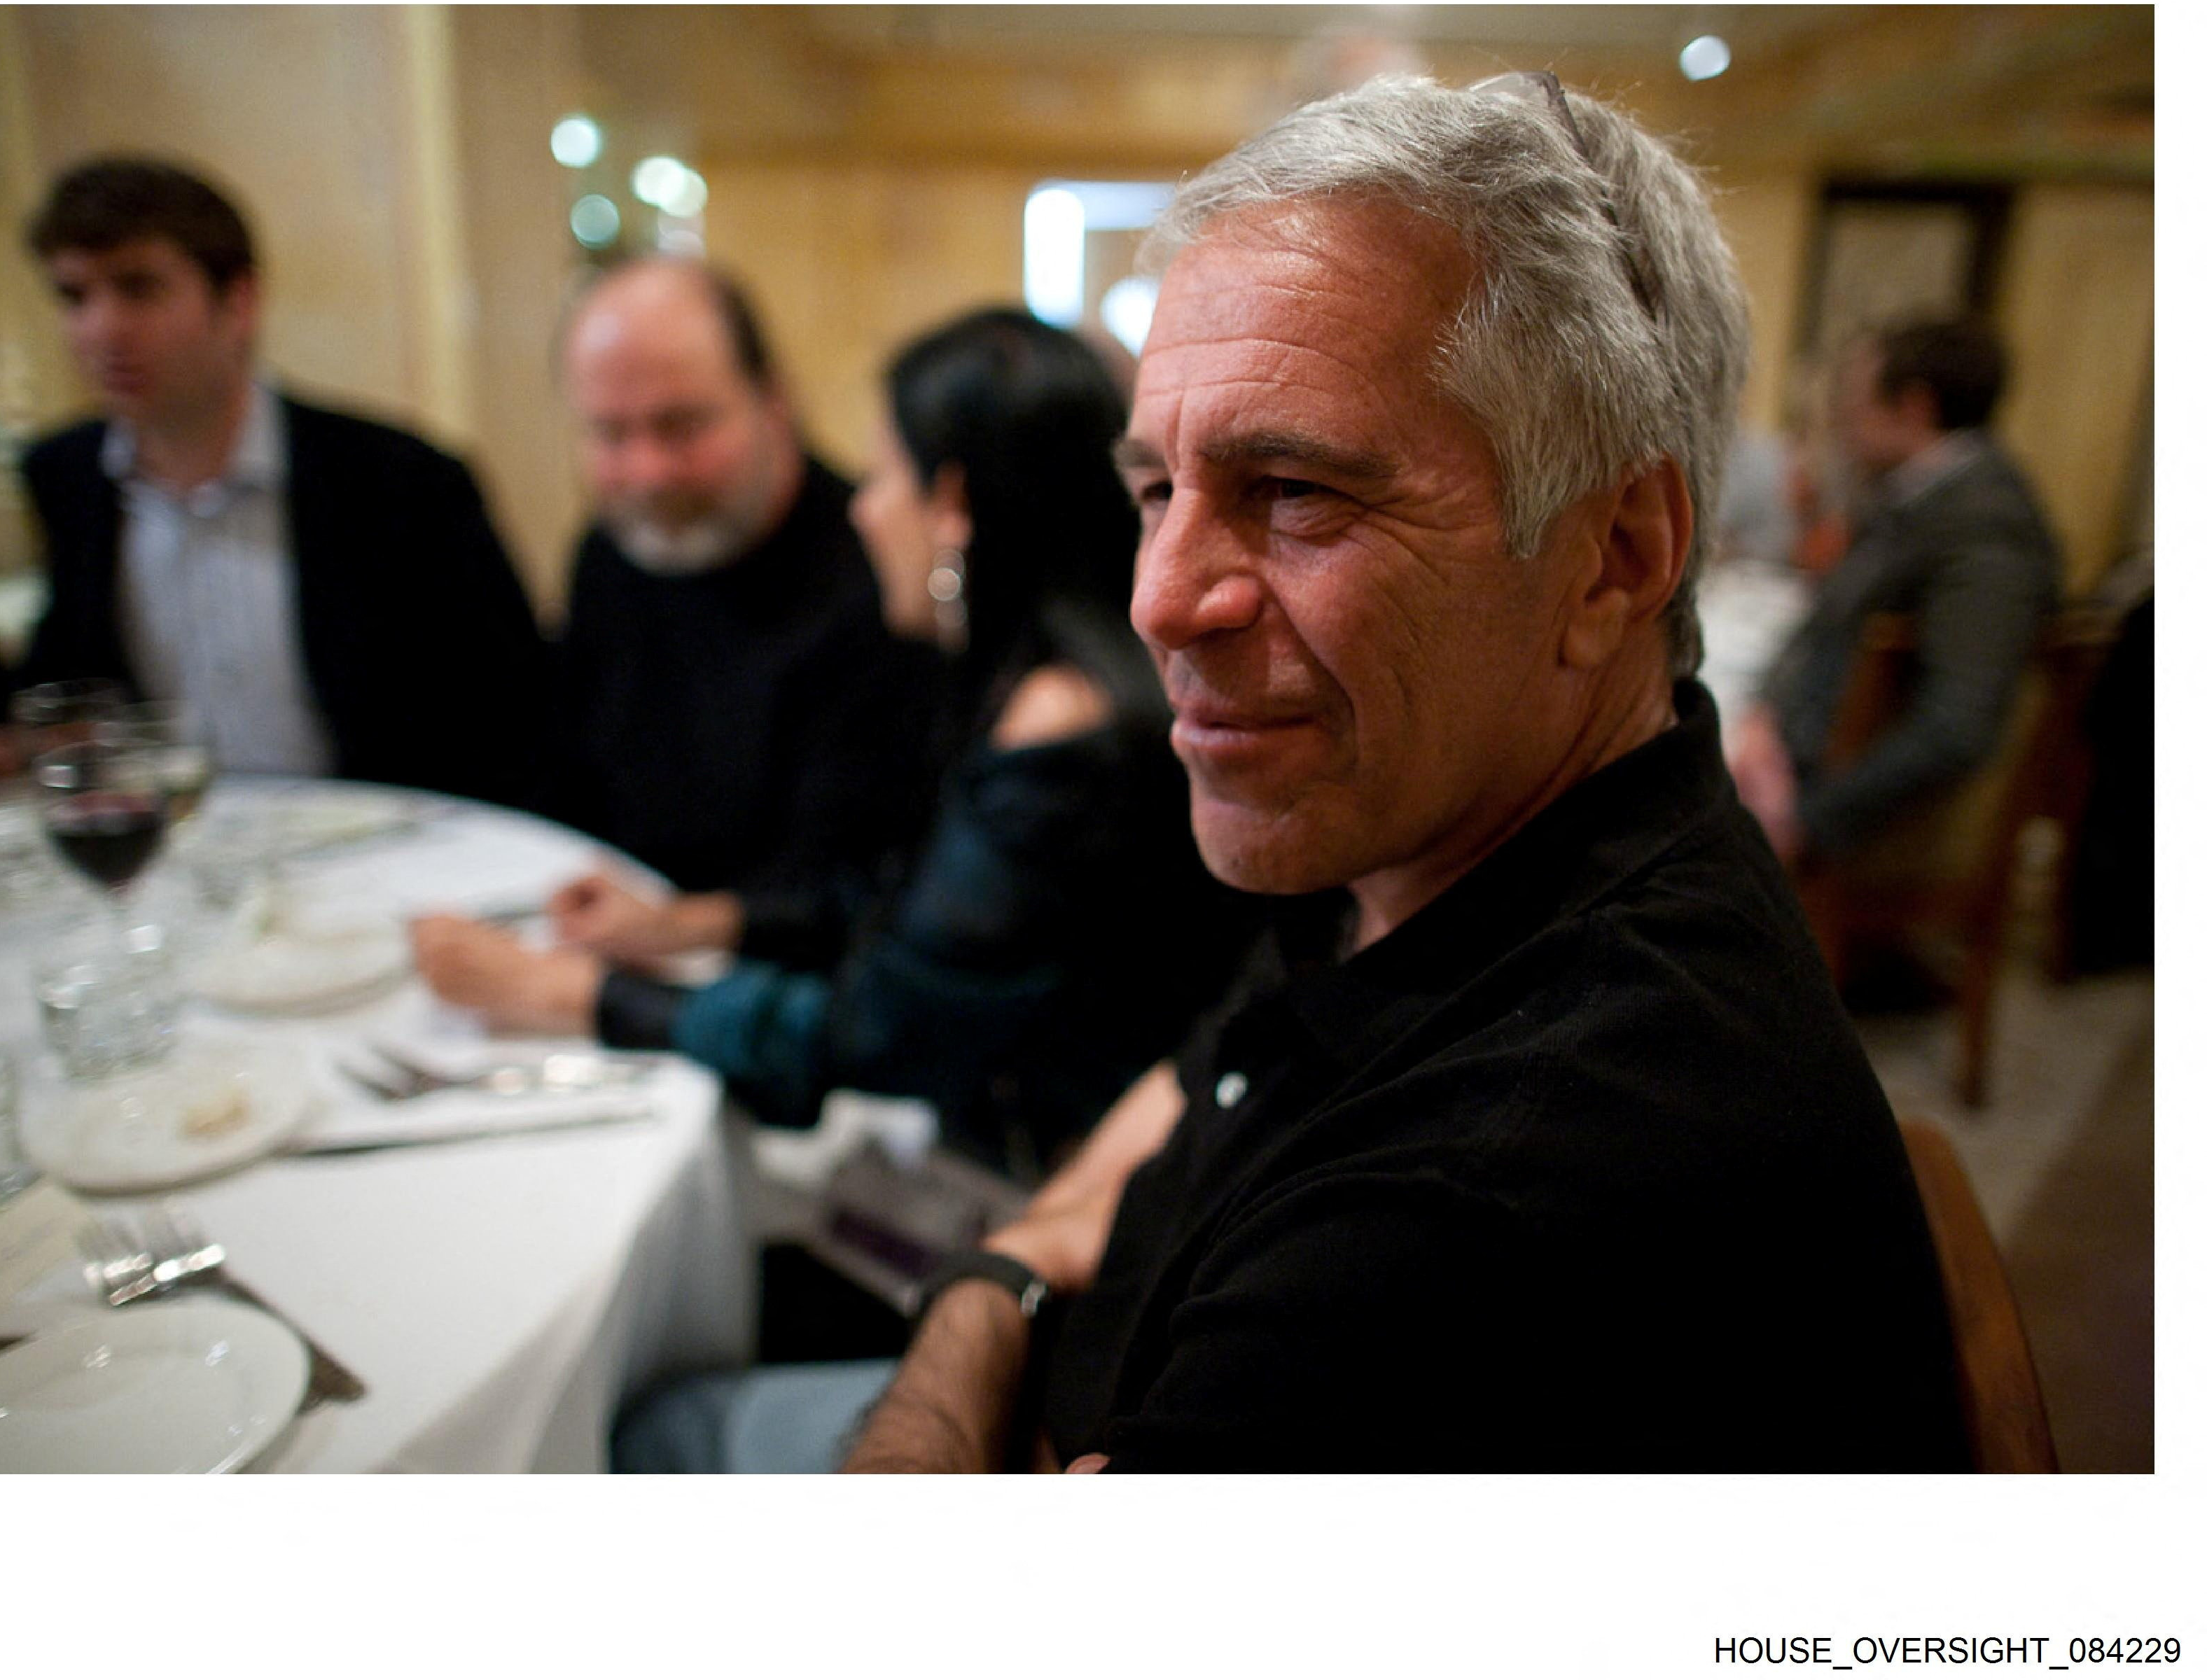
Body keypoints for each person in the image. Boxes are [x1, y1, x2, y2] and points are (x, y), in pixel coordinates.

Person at [825, 74, 1967, 1474]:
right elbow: (1199, 1084)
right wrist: (1012, 1276)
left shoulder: (1491, 1204)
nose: (1160, 600)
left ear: (1614, 557)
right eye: (1157, 491)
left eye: (1294, 491)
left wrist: (979, 1293)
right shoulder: (1433, 835)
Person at [413, 307, 1255, 1177]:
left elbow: (885, 1032)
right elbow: (919, 912)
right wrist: (684, 924)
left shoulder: (1060, 724)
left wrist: (570, 994)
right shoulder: (1035, 675)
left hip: (1066, 1171)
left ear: (952, 503)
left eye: (885, 475)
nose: (862, 510)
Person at [1, 158, 548, 807]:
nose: (101, 330)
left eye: (139, 289)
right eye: (74, 296)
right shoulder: (64, 476)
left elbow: (514, 720)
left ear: (239, 301)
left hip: (372, 846)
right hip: (173, 843)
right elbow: (68, 682)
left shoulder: (400, 480)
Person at [541, 258, 941, 917]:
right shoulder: (606, 554)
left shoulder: (877, 580)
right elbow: (568, 778)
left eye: (682, 426)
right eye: (610, 433)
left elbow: (847, 887)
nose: (647, 473)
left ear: (773, 402)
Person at [1728, 319, 2061, 866]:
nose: (1841, 416)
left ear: (1912, 407)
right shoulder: (1920, 498)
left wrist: (1804, 824)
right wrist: (1765, 715)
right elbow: (1823, 620)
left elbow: (1957, 727)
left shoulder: (1987, 532)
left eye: (1853, 398)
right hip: (1785, 758)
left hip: (1829, 811)